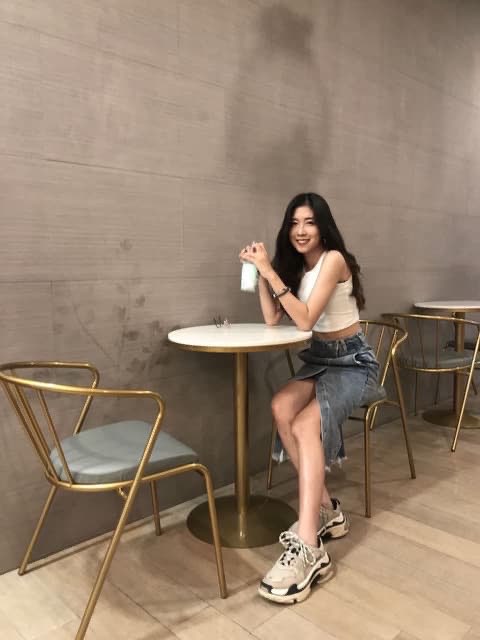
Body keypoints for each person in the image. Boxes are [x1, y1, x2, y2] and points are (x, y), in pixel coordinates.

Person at [239, 192, 380, 604]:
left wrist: (270, 271)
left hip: (352, 362)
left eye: (309, 222)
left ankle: (310, 546)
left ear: (323, 226)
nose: (300, 231)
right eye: (294, 223)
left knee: (304, 425)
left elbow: (304, 319)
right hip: (321, 358)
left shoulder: (333, 259)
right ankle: (326, 511)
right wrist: (263, 272)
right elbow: (272, 318)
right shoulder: (298, 268)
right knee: (281, 407)